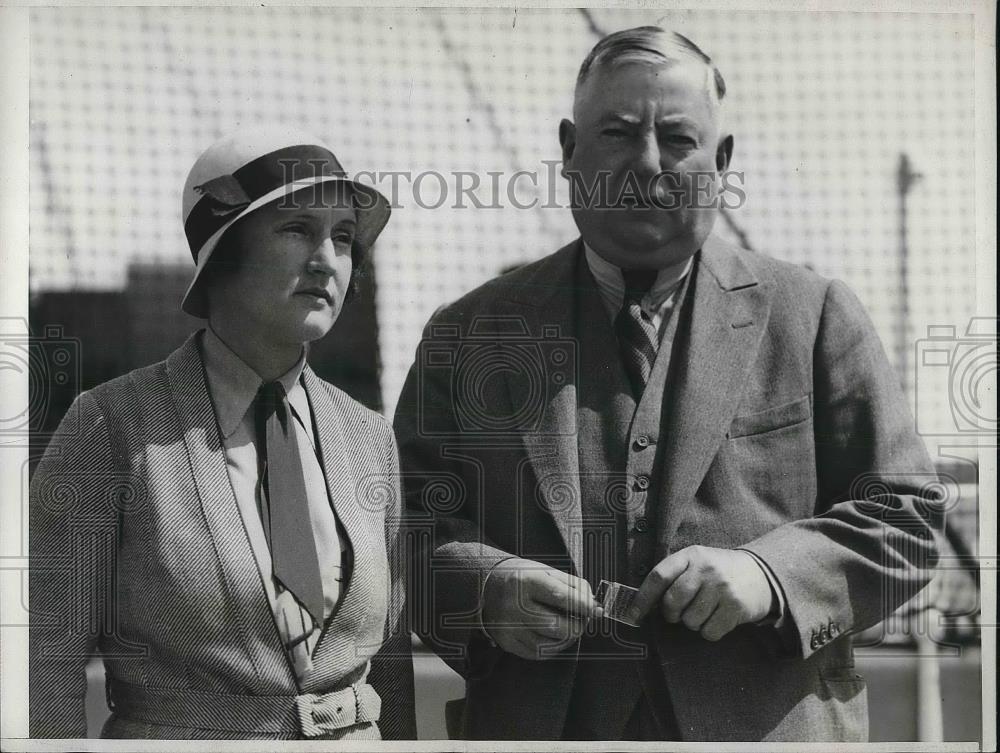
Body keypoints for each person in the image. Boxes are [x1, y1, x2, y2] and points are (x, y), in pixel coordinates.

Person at [393, 27, 942, 741]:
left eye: (677, 138)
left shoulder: (813, 316)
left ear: (723, 159)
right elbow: (394, 529)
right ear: (568, 151)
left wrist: (770, 576)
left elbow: (908, 519)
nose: (646, 165)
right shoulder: (468, 333)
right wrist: (483, 589)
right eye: (616, 134)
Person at [29, 125, 416, 739]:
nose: (327, 258)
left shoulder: (371, 438)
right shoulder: (110, 427)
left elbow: (388, 667)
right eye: (296, 229)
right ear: (222, 250)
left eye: (343, 237)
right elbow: (42, 663)